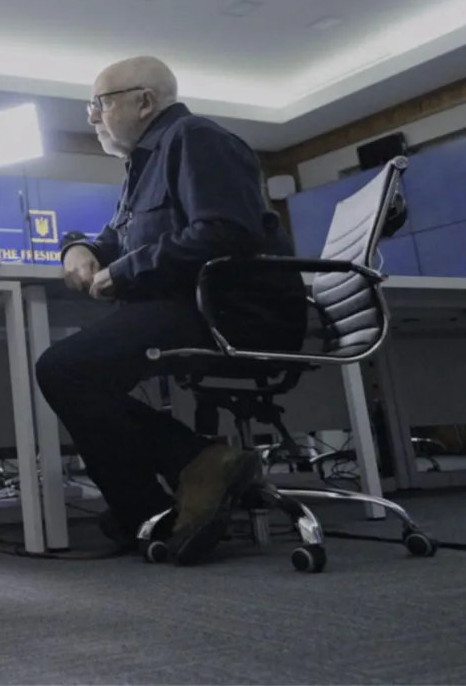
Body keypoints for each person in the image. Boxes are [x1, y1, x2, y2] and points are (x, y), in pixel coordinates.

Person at [38, 56, 308, 566]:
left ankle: (170, 488)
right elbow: (112, 241)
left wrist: (124, 271)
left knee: (66, 369)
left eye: (100, 103)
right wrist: (76, 248)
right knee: (77, 372)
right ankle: (177, 487)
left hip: (232, 312)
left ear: (144, 101)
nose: (91, 117)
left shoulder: (193, 138)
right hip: (196, 308)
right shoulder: (142, 169)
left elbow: (225, 230)